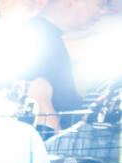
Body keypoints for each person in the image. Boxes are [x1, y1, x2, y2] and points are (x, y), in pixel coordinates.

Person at [14, 0, 107, 130]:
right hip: (49, 142)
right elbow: (36, 93)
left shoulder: (47, 36)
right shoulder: (39, 36)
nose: (103, 11)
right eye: (101, 4)